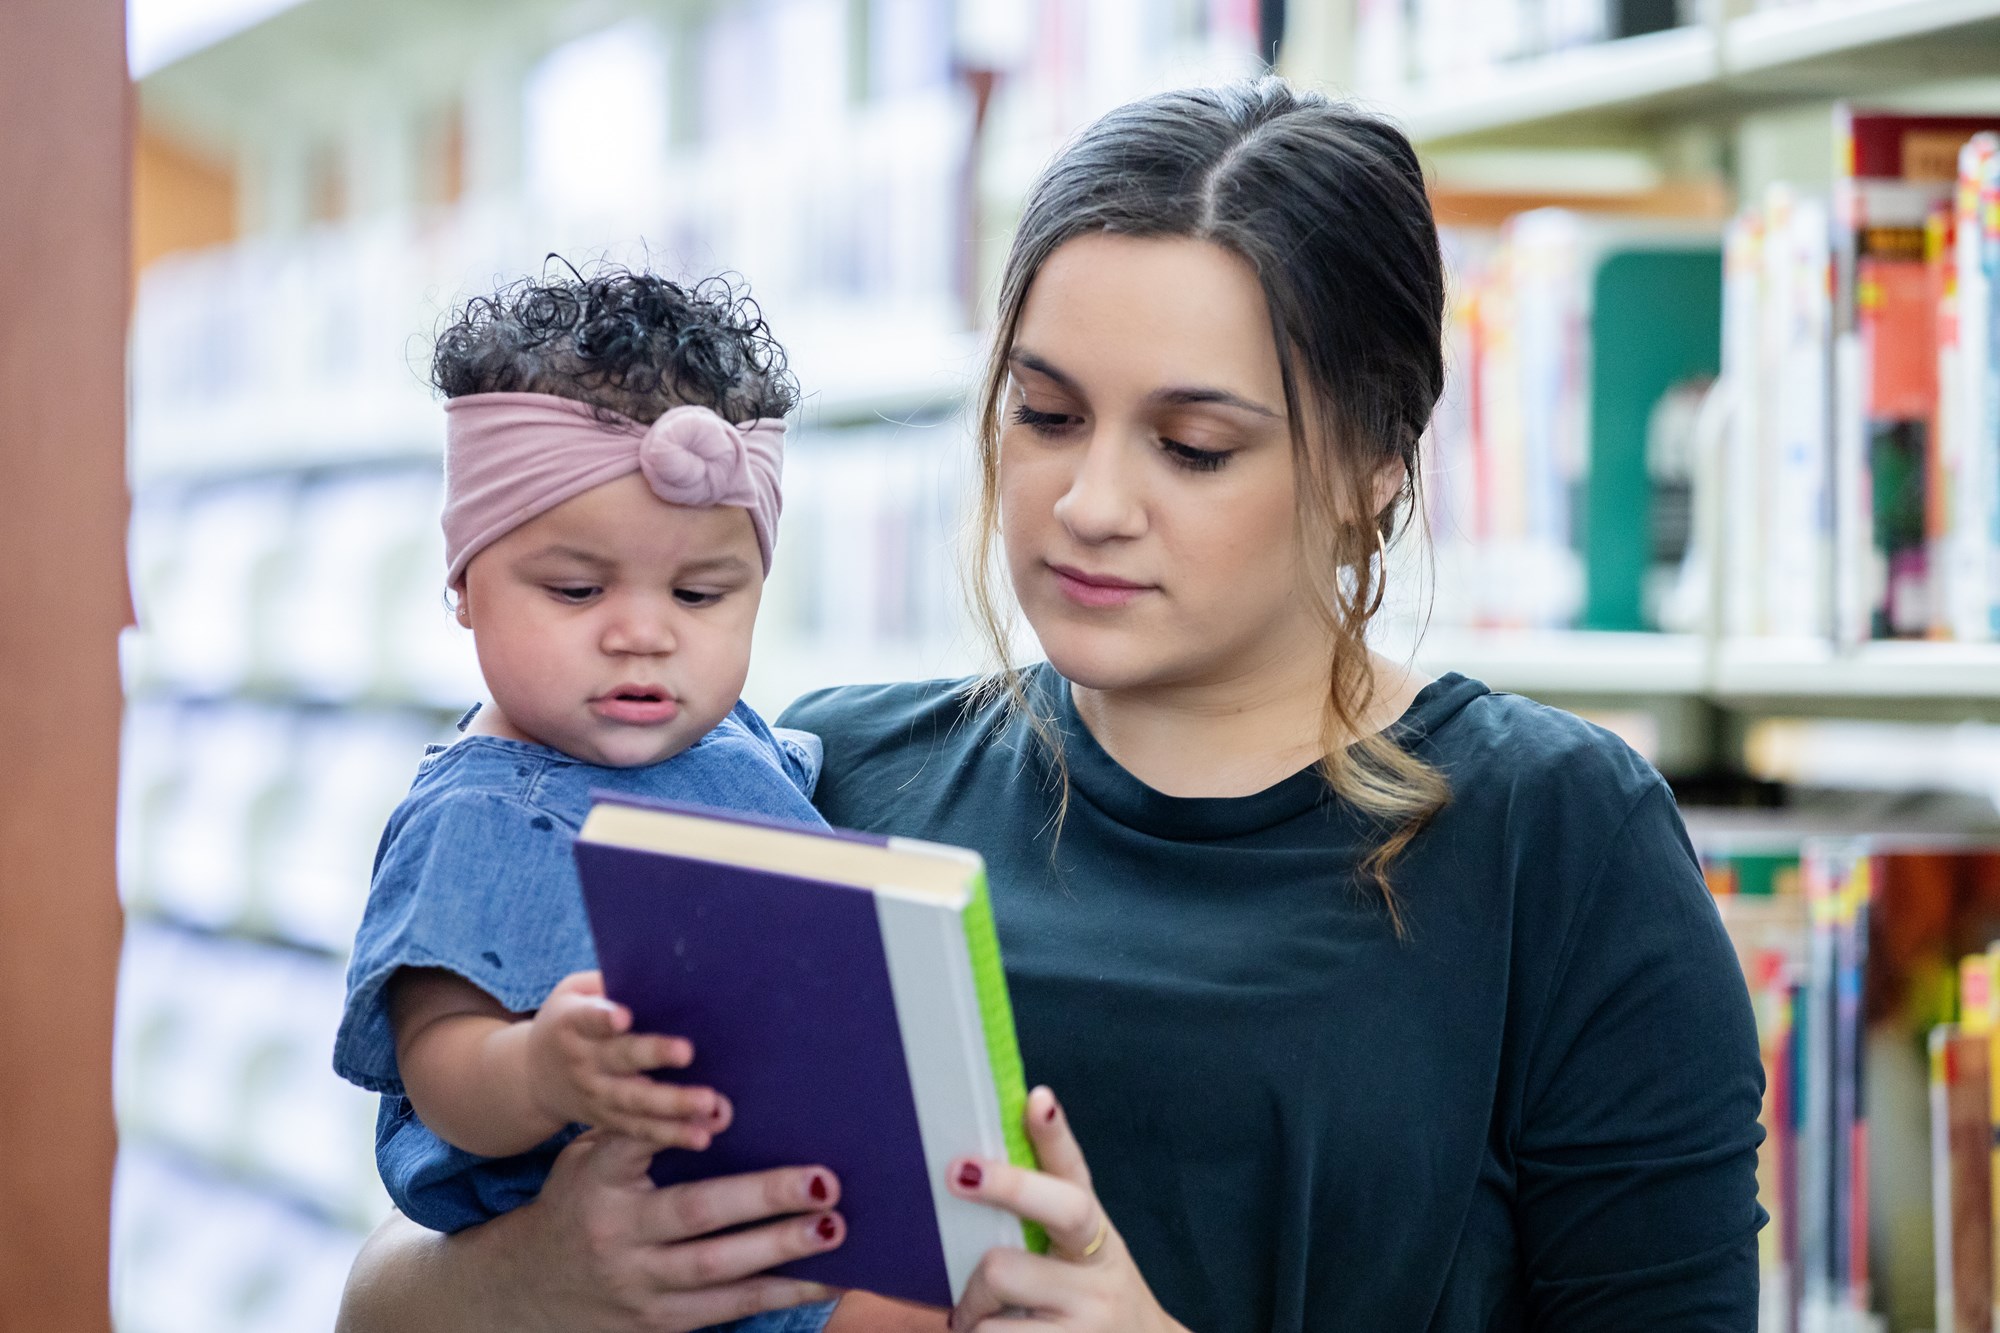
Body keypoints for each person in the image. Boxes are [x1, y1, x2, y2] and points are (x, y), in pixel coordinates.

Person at [336, 78, 1764, 1333]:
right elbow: (386, 1289)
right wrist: (541, 1282)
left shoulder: (1558, 841)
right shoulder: (816, 782)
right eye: (1048, 414)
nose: (1087, 506)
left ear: (1373, 464)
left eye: (1194, 446)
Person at [331, 266, 843, 1333]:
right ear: (465, 582)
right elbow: (438, 1065)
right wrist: (540, 1067)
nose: (642, 632)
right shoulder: (478, 815)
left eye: (700, 594)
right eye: (575, 589)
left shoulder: (727, 737)